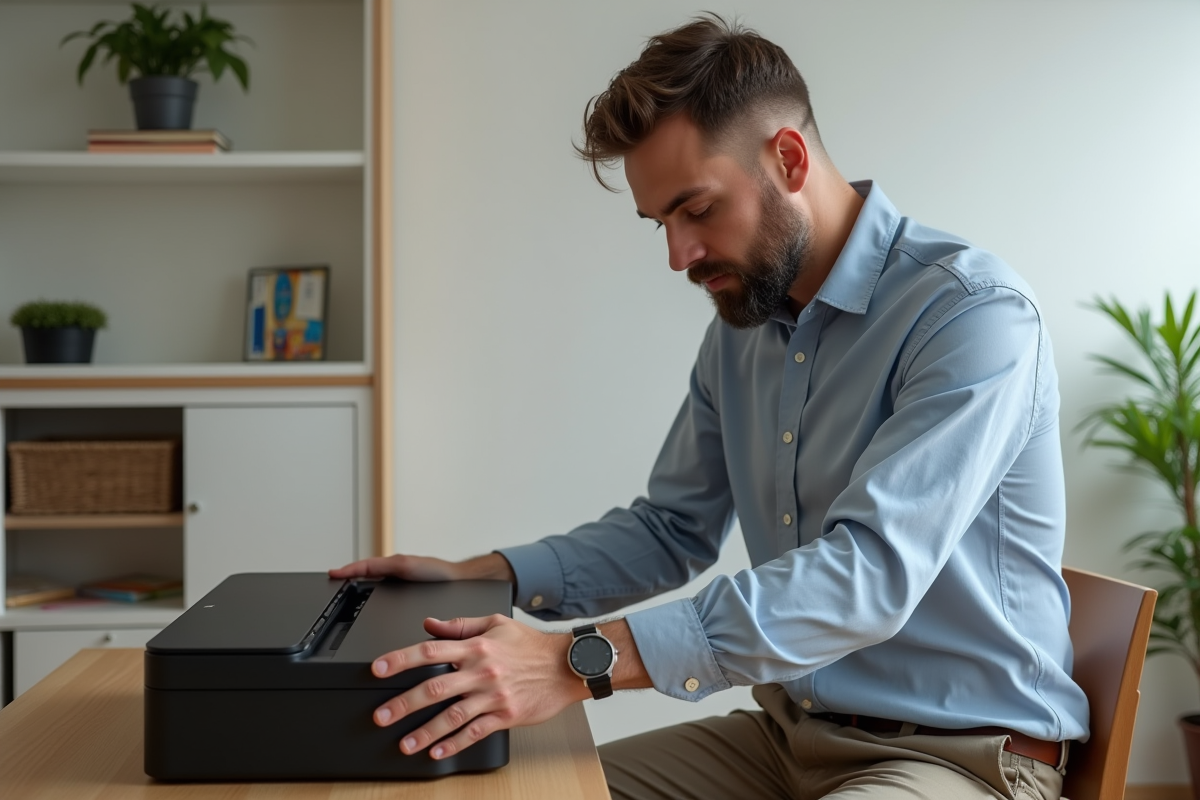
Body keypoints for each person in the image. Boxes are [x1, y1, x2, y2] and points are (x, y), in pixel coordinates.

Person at [330, 13, 1088, 799]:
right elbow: (672, 529)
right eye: (661, 222)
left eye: (697, 210)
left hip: (958, 756)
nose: (677, 255)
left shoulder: (971, 316)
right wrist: (484, 577)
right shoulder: (743, 331)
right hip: (785, 736)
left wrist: (572, 660)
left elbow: (867, 576)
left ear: (787, 159)